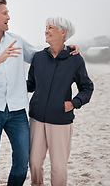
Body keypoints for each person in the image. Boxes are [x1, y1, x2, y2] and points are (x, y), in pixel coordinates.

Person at [0, 0, 79, 186]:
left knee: (22, 161)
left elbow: (39, 56)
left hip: (17, 110)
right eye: (4, 13)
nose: (8, 17)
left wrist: (67, 49)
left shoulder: (16, 40)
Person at [27, 17, 94, 186]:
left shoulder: (75, 59)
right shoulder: (39, 57)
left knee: (58, 167)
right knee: (34, 163)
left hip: (60, 120)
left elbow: (87, 87)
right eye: (46, 27)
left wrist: (73, 103)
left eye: (51, 27)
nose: (46, 31)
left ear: (64, 32)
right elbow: (30, 85)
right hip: (37, 118)